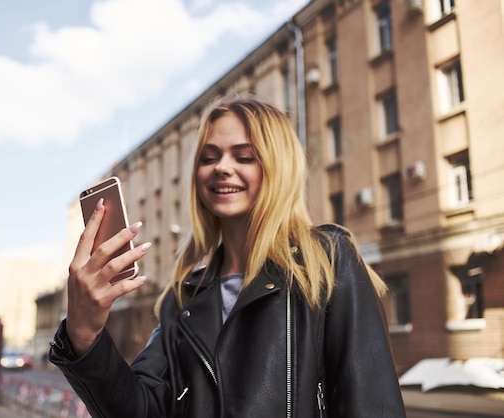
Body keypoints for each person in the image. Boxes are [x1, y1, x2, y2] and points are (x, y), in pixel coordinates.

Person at [49, 94, 406, 417]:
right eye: (209, 157)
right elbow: (142, 411)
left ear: (277, 167)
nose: (221, 167)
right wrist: (85, 333)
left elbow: (373, 405)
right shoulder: (183, 298)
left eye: (244, 156)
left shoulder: (326, 261)